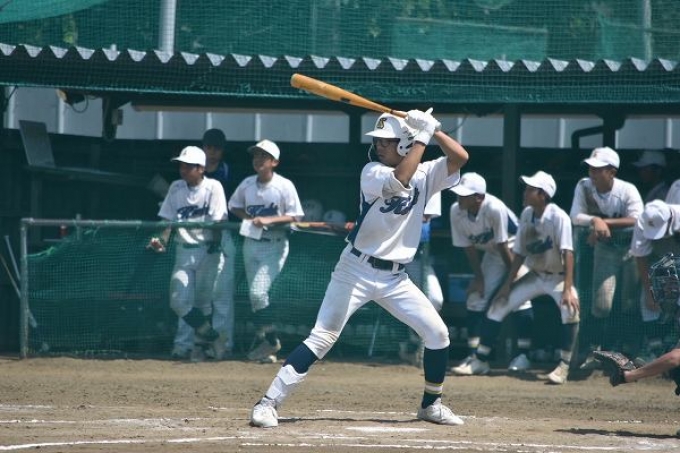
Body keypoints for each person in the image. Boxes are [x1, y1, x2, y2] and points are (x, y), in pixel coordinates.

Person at [249, 109, 469, 428]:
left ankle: (431, 405)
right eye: (377, 141)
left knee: (438, 334)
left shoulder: (426, 173)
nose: (379, 146)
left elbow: (460, 157)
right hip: (356, 269)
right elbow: (401, 179)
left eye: (386, 141)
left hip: (396, 277)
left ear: (404, 144)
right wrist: (422, 135)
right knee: (323, 337)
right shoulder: (372, 172)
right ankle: (267, 403)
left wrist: (433, 130)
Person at [451, 171, 580, 384]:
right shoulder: (527, 214)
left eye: (530, 189)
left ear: (543, 195)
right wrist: (507, 285)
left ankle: (563, 367)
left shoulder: (559, 217)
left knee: (570, 309)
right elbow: (518, 254)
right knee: (498, 304)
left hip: (558, 278)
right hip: (535, 275)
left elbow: (568, 253)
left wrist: (567, 288)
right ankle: (480, 360)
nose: (525, 192)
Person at [447, 172, 534, 374]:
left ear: (479, 197)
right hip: (494, 253)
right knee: (476, 298)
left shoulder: (494, 208)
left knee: (521, 298)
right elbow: (468, 246)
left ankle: (523, 356)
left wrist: (511, 281)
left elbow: (504, 244)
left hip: (516, 249)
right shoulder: (456, 211)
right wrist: (479, 278)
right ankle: (476, 357)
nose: (459, 197)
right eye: (459, 193)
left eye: (464, 194)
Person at [147, 146, 227, 359]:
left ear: (201, 168)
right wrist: (161, 240)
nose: (183, 169)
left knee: (202, 303)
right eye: (182, 165)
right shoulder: (176, 187)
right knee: (178, 301)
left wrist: (215, 245)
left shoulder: (213, 187)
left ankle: (196, 348)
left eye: (189, 166)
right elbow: (167, 219)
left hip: (207, 250)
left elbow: (219, 220)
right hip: (183, 250)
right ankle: (212, 337)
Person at [228, 139, 304, 363]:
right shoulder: (247, 184)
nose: (258, 159)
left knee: (258, 292)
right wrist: (250, 218)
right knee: (256, 298)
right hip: (251, 242)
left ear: (274, 162)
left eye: (263, 156)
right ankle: (268, 347)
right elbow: (234, 206)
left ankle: (271, 341)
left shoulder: (284, 185)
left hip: (275, 243)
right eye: (256, 155)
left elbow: (296, 215)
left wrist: (268, 220)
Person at [569, 146, 643, 369]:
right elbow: (575, 216)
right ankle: (595, 352)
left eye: (598, 169)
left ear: (612, 172)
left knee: (630, 303)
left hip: (631, 249)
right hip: (606, 249)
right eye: (591, 168)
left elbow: (638, 218)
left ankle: (630, 351)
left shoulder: (627, 190)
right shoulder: (584, 186)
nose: (592, 172)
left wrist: (605, 222)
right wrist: (595, 220)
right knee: (601, 304)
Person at [170, 129, 237, 361]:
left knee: (220, 296)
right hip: (192, 239)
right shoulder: (183, 181)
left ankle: (222, 344)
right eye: (209, 147)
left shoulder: (226, 173)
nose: (212, 152)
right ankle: (186, 345)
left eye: (217, 148)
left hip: (219, 237)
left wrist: (216, 244)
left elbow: (227, 211)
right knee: (187, 299)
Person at [629, 200, 680, 361]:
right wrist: (649, 292)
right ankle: (654, 350)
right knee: (648, 300)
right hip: (660, 261)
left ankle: (674, 347)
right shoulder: (642, 223)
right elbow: (641, 257)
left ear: (670, 220)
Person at [399, 192, 445, 367]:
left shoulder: (432, 183)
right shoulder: (390, 181)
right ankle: (413, 345)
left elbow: (425, 220)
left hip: (418, 257)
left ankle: (418, 344)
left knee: (435, 299)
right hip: (392, 256)